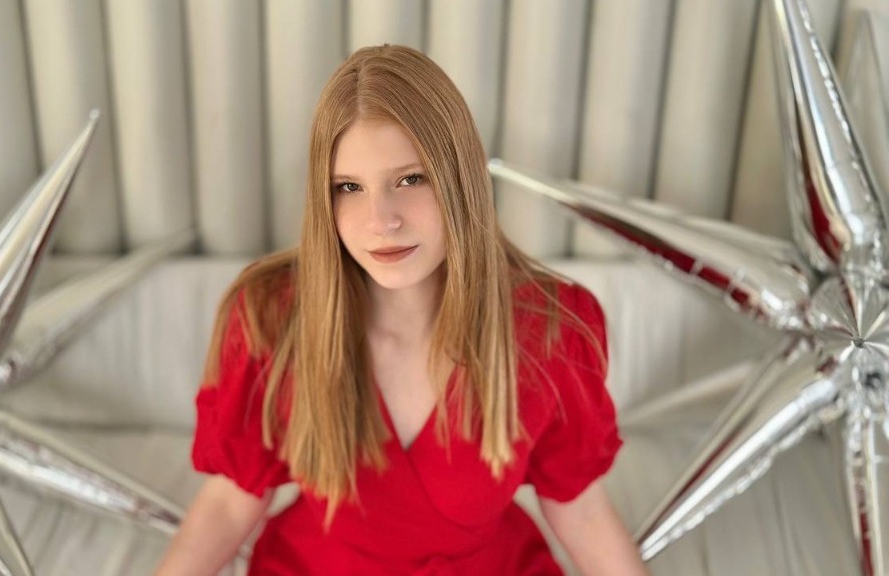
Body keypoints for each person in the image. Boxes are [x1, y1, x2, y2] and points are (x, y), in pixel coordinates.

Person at [155, 45, 648, 576]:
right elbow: (230, 502)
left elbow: (581, 510)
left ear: (459, 178)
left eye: (411, 179)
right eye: (349, 187)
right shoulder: (269, 318)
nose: (380, 220)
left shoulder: (551, 331)